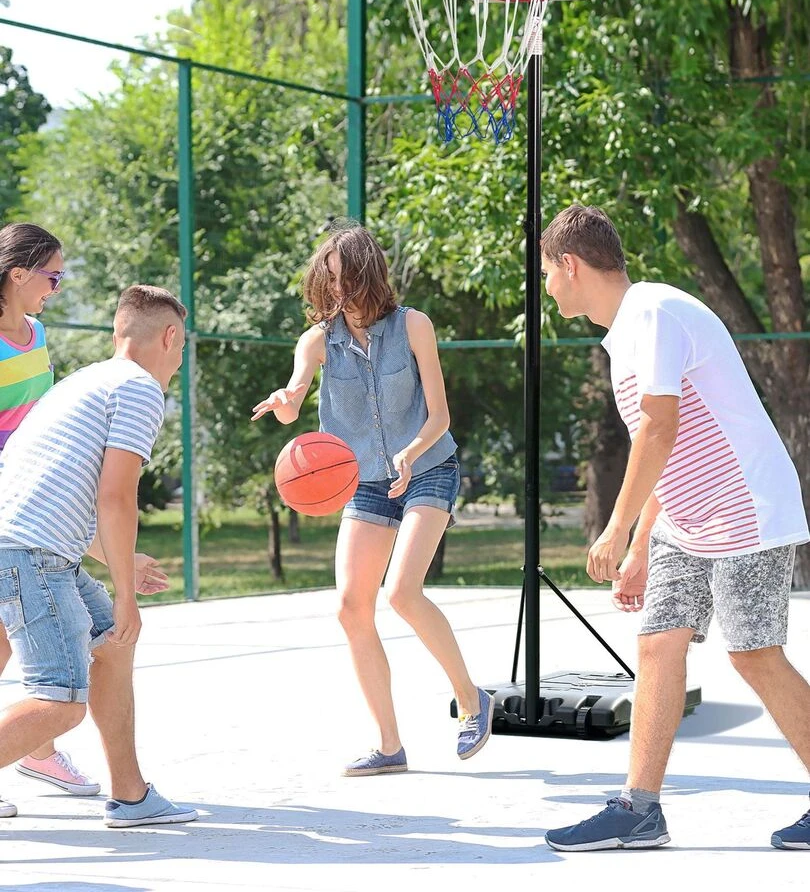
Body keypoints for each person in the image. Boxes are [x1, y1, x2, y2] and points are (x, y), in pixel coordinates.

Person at [539, 203, 810, 852]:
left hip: (747, 511)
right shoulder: (625, 335)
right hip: (688, 522)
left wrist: (614, 526)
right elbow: (666, 448)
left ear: (571, 266)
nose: (547, 285)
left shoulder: (653, 314)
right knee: (659, 644)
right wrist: (639, 546)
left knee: (754, 655)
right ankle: (640, 809)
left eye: (548, 272)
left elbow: (661, 428)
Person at [252, 221, 493, 774]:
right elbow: (294, 398)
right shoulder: (317, 342)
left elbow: (440, 415)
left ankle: (472, 700)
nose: (337, 290)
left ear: (368, 275)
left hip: (428, 465)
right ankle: (389, 746)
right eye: (328, 280)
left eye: (346, 278)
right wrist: (286, 402)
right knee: (349, 606)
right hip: (363, 480)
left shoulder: (413, 326)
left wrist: (410, 452)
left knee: (403, 592)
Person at [0, 284, 197, 828]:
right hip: (30, 555)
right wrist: (129, 597)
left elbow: (50, 490)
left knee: (111, 644)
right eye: (181, 349)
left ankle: (131, 796)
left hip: (28, 546)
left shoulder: (86, 381)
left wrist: (116, 560)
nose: (179, 360)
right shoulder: (140, 389)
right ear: (170, 336)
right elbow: (116, 496)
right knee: (61, 701)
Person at [0, 222, 101, 801]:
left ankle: (35, 751)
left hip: (30, 498)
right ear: (18, 273)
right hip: (10, 509)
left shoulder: (35, 334)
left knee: (42, 630)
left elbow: (41, 422)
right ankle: (34, 747)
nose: (57, 288)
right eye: (52, 275)